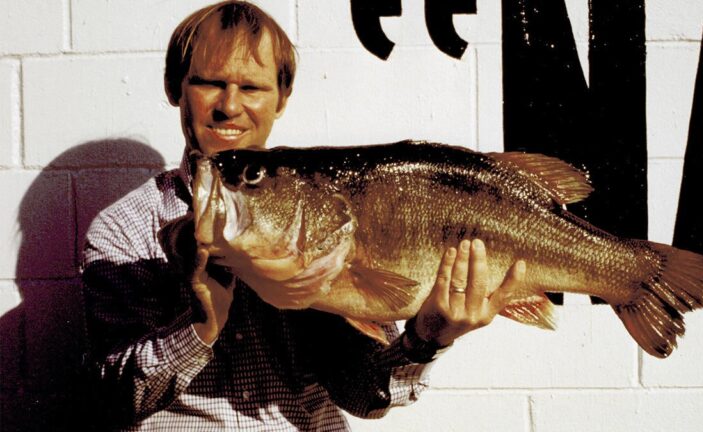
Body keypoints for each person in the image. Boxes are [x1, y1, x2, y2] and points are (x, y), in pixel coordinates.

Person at [81, 1, 527, 430]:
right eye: (209, 83)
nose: (229, 106)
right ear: (175, 87)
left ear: (281, 98)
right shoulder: (123, 230)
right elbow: (107, 402)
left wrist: (427, 337)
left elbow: (364, 398)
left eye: (252, 87)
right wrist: (200, 326)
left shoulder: (320, 214)